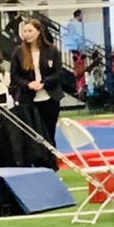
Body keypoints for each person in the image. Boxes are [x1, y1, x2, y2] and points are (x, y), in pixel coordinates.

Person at [10, 16, 66, 168]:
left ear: (38, 31)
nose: (27, 34)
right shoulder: (18, 52)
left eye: (30, 31)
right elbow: (14, 75)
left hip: (49, 98)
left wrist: (43, 83)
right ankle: (34, 165)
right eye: (25, 31)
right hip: (28, 100)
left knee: (49, 132)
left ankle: (51, 166)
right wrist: (29, 84)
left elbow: (58, 73)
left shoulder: (52, 51)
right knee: (32, 135)